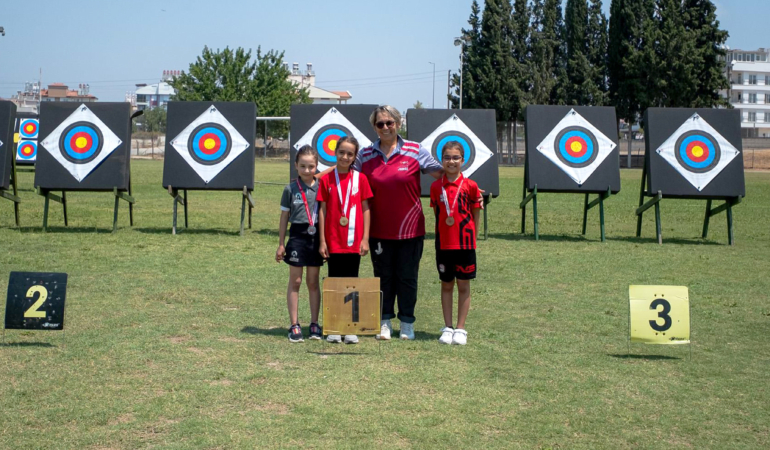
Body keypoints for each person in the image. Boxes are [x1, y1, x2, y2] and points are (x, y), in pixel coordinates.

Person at [354, 105, 443, 340]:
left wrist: (470, 188)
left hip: (411, 230)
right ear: (374, 127)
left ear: (398, 123)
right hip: (379, 230)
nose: (385, 127)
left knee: (407, 277)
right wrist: (313, 179)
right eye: (380, 124)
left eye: (389, 122)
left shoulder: (416, 150)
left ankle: (406, 323)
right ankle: (384, 322)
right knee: (383, 277)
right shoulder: (365, 155)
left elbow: (443, 174)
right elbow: (345, 175)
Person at [317, 136, 374, 344]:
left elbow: (366, 209)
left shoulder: (361, 179)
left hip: (353, 241)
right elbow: (322, 211)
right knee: (334, 281)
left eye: (350, 154)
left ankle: (350, 326)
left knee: (352, 283)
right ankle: (333, 325)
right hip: (333, 240)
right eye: (342, 152)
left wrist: (365, 238)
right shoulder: (326, 179)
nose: (345, 156)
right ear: (335, 153)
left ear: (354, 157)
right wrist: (322, 240)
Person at [430, 141, 482, 345]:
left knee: (463, 286)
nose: (451, 161)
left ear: (463, 160)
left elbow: (475, 213)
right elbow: (438, 214)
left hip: (466, 245)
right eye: (447, 158)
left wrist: (474, 239)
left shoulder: (471, 185)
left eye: (455, 157)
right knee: (446, 285)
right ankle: (448, 327)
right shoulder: (436, 187)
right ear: (442, 160)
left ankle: (461, 329)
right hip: (444, 244)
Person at [276, 145, 324, 343]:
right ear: (296, 166)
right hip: (296, 237)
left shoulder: (322, 186)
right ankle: (294, 324)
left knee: (312, 282)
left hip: (316, 237)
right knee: (295, 281)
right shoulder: (290, 189)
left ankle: (314, 323)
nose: (306, 170)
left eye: (311, 166)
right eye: (302, 166)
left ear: (316, 166)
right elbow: (284, 217)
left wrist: (323, 242)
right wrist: (281, 243)